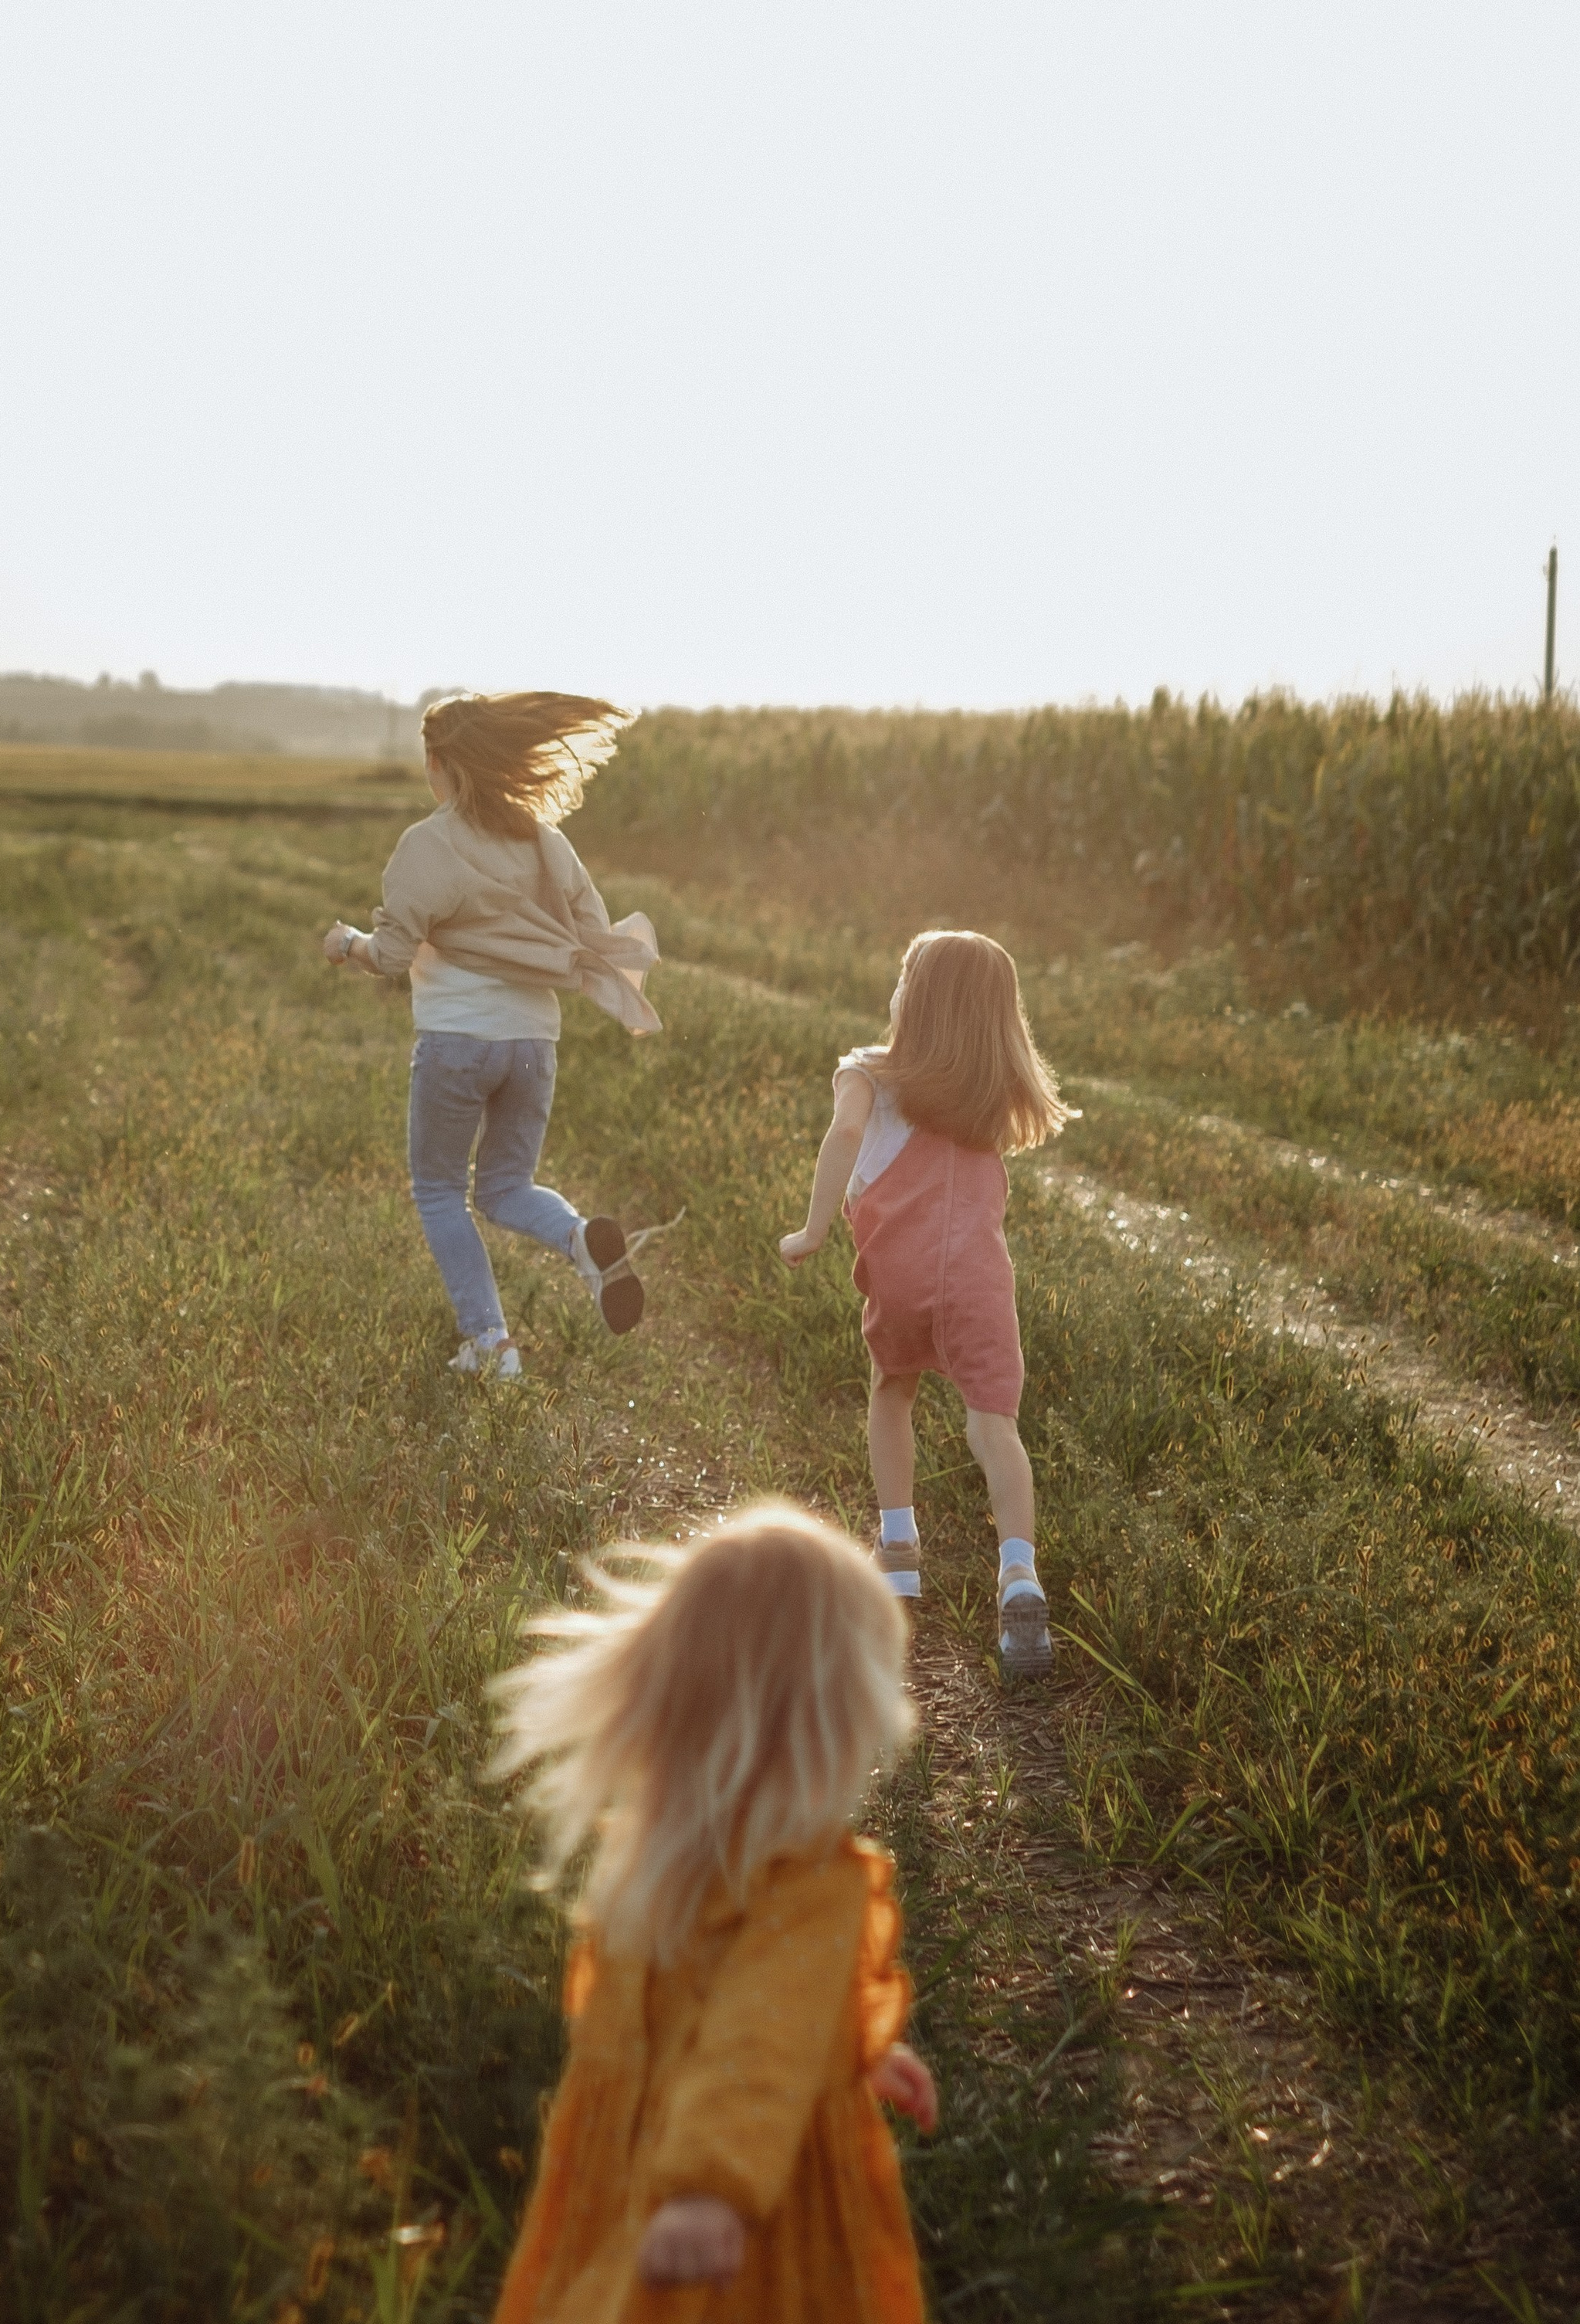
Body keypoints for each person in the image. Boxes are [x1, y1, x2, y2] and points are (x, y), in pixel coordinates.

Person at [488, 1505, 936, 2324]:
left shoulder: (654, 1862)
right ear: (828, 1725)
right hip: (748, 2216)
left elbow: (746, 2012)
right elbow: (754, 2039)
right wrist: (708, 2191)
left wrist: (844, 2041)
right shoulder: (808, 1888)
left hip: (631, 2171)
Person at [323, 691, 661, 1382]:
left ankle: (490, 1342)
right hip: (534, 1044)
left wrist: (346, 942)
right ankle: (579, 1240)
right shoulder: (546, 841)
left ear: (441, 763)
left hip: (457, 1041)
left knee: (440, 1189)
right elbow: (591, 927)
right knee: (508, 1185)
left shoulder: (429, 842)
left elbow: (389, 956)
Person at [780, 930, 1072, 1679]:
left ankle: (899, 1547)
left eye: (905, 974)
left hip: (900, 1281)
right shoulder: (987, 1096)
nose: (896, 985)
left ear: (918, 1000)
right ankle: (1018, 1574)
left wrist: (812, 1229)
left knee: (892, 1391)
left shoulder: (868, 1075)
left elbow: (844, 1133)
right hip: (979, 1282)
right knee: (993, 1425)